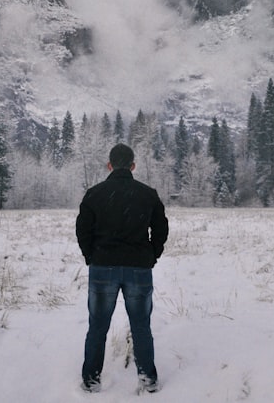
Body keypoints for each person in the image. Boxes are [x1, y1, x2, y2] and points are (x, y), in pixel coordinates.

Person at [76, 143, 169, 394]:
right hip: (138, 267)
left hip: (102, 267)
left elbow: (82, 230)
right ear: (133, 166)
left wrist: (91, 256)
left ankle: (91, 380)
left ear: (109, 165)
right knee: (141, 326)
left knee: (97, 326)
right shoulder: (147, 194)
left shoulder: (95, 194)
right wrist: (152, 255)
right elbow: (161, 229)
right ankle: (148, 379)